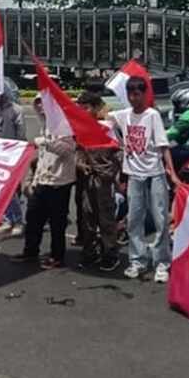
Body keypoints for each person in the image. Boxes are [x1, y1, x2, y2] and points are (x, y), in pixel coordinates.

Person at [109, 76, 179, 282]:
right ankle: (138, 260)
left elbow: (163, 146)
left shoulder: (152, 115)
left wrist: (172, 172)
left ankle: (162, 262)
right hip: (134, 175)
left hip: (154, 174)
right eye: (130, 94)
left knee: (160, 220)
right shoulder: (124, 115)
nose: (133, 98)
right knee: (134, 220)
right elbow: (102, 114)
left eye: (137, 94)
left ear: (144, 94)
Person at [12, 104, 76, 269]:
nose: (40, 106)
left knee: (57, 223)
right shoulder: (45, 124)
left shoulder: (64, 126)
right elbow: (42, 157)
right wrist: (34, 180)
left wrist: (45, 142)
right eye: (37, 103)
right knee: (33, 218)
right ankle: (30, 251)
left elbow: (67, 150)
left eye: (43, 102)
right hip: (42, 181)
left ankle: (57, 256)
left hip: (59, 183)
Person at [74, 92, 122, 272]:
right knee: (88, 217)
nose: (83, 111)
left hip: (104, 181)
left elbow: (118, 153)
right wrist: (81, 164)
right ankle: (90, 252)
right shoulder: (82, 128)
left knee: (106, 218)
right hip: (88, 179)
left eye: (86, 108)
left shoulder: (106, 128)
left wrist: (112, 174)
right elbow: (78, 151)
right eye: (80, 108)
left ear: (95, 108)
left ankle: (110, 254)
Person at [0, 89, 26, 237]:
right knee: (0, 189)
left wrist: (19, 153)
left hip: (11, 154)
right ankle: (7, 219)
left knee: (12, 190)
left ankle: (18, 221)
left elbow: (21, 133)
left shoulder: (16, 110)